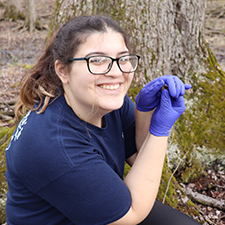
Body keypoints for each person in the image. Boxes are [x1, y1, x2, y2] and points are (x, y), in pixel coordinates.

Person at [5, 15, 200, 225]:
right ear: (63, 70)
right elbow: (131, 214)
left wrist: (145, 113)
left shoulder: (105, 103)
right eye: (97, 60)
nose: (116, 72)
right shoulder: (55, 144)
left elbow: (139, 158)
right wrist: (160, 131)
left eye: (123, 58)